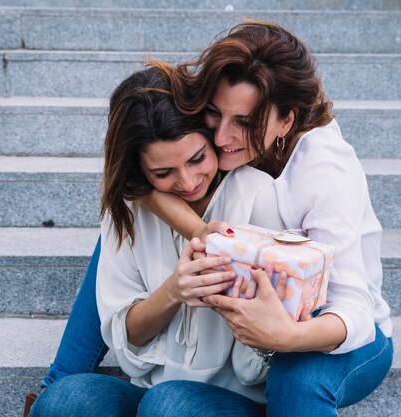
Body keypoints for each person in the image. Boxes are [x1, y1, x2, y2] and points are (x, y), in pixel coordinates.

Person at [143, 20, 393, 416]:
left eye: (244, 122)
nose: (222, 137)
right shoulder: (220, 139)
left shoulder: (325, 171)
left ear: (287, 121)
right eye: (214, 113)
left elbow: (354, 313)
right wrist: (197, 229)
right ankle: (55, 386)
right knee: (123, 227)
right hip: (247, 343)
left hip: (338, 333)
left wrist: (287, 335)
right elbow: (133, 179)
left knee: (297, 378)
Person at [29, 67, 285, 417]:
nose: (189, 181)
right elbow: (127, 337)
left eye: (197, 158)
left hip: (233, 401)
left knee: (170, 406)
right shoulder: (132, 210)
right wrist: (173, 292)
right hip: (150, 395)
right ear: (139, 171)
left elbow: (259, 363)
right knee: (63, 401)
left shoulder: (258, 195)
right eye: (163, 173)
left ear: (212, 137)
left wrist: (233, 294)